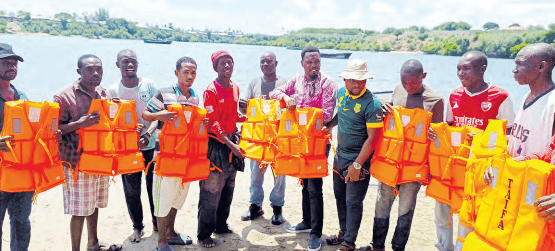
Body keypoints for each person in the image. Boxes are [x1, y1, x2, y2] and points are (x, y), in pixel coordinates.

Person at [432, 51, 515, 251]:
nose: (461, 73)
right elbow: (450, 129)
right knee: (442, 211)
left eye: (466, 68)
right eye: (458, 69)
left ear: (482, 69)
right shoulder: (454, 95)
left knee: (469, 216)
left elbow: (510, 136)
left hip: (481, 170)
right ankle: (443, 247)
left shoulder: (501, 97)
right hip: (455, 165)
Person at [361, 60, 444, 251]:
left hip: (413, 167)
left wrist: (435, 134)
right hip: (390, 161)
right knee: (382, 204)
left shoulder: (435, 100)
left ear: (424, 76)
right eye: (405, 82)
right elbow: (390, 114)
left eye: (413, 83)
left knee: (405, 210)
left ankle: (398, 247)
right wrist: (382, 108)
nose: (408, 87)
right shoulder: (398, 90)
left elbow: (441, 135)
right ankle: (377, 245)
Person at [269, 46, 339, 251]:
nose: (313, 65)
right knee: (304, 181)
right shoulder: (296, 79)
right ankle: (306, 222)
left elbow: (326, 115)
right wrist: (285, 98)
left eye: (316, 61)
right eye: (309, 62)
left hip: (318, 142)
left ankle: (316, 233)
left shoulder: (329, 84)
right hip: (299, 142)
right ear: (302, 63)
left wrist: (298, 110)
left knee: (315, 186)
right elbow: (275, 92)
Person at [54, 54, 121, 251]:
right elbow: (54, 129)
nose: (96, 73)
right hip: (77, 162)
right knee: (79, 210)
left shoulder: (103, 93)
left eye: (99, 69)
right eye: (90, 69)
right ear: (79, 72)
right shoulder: (64, 96)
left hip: (100, 159)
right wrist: (80, 124)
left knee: (94, 205)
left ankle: (93, 243)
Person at [484, 43, 555, 222]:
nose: (514, 70)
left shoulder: (552, 103)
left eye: (520, 64)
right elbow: (520, 138)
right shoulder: (526, 97)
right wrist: (498, 161)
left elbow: (550, 151)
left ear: (541, 66)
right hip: (515, 180)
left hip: (538, 191)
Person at [142, 56, 202, 251]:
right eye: (186, 72)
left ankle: (171, 233)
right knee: (163, 201)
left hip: (186, 159)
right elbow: (145, 114)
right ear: (176, 73)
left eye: (193, 72)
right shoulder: (163, 93)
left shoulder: (195, 97)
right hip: (165, 157)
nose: (190, 76)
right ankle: (161, 242)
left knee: (178, 198)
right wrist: (160, 116)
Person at [323, 59, 383, 251]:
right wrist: (329, 126)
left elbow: (373, 139)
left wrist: (357, 165)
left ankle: (349, 242)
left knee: (353, 202)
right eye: (353, 80)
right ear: (345, 79)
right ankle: (343, 232)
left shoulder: (372, 105)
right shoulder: (342, 93)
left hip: (359, 160)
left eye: (362, 80)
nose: (358, 84)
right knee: (340, 197)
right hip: (339, 156)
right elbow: (341, 114)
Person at [109, 49, 159, 242]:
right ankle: (137, 227)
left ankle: (157, 223)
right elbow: (111, 122)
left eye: (133, 61)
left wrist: (148, 133)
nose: (130, 65)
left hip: (150, 146)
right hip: (127, 151)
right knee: (132, 191)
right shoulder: (113, 91)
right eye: (125, 62)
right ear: (118, 65)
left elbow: (157, 116)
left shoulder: (149, 85)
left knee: (154, 188)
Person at [197, 50, 245, 248]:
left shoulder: (235, 87)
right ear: (215, 67)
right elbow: (213, 124)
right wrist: (232, 145)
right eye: (223, 63)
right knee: (211, 191)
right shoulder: (211, 90)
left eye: (230, 63)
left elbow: (233, 115)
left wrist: (254, 119)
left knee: (228, 187)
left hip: (231, 143)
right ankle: (204, 234)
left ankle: (221, 225)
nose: (227, 66)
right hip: (216, 146)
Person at [238, 51, 287, 225]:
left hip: (278, 139)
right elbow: (244, 109)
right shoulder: (253, 83)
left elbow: (290, 109)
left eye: (269, 61)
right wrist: (244, 107)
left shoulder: (284, 83)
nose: (265, 64)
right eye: (262, 62)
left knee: (279, 175)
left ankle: (277, 208)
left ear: (276, 63)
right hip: (257, 139)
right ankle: (255, 206)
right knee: (255, 175)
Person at [0, 43, 33, 251]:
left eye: (15, 64)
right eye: (6, 63)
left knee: (21, 222)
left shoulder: (23, 97)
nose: (12, 67)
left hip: (22, 171)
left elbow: (32, 131)